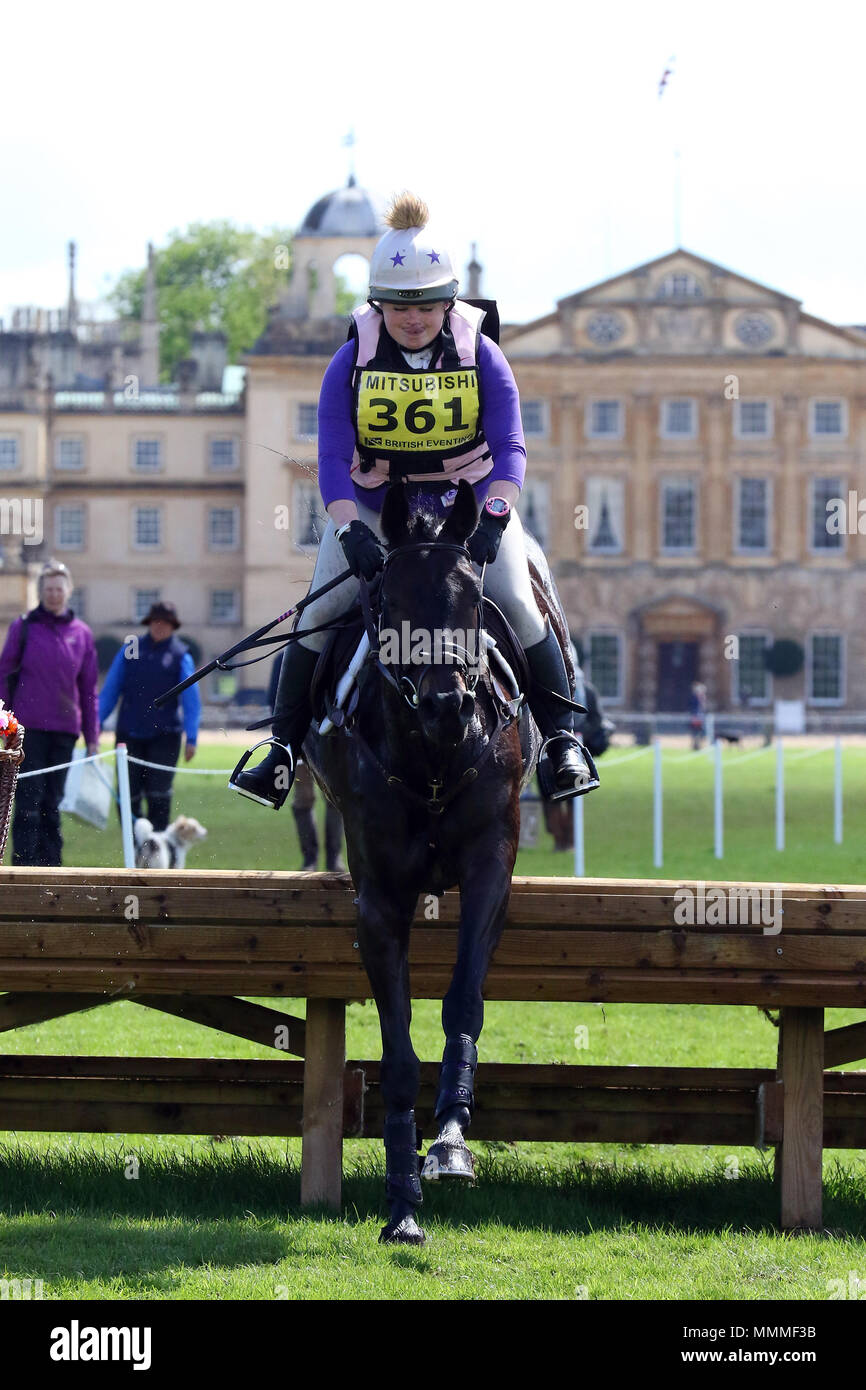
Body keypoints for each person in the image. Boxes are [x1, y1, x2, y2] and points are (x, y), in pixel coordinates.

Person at [233, 192, 595, 809]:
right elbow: (331, 459)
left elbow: (510, 449)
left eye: (426, 304)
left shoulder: (484, 354)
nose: (413, 318)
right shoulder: (350, 361)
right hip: (377, 504)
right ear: (378, 305)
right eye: (398, 306)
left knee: (519, 603)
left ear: (448, 301)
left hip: (471, 505)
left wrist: (496, 518)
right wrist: (348, 530)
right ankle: (283, 749)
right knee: (319, 615)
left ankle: (562, 740)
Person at [0, 559, 99, 865]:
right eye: (49, 589)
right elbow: (4, 676)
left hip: (64, 731)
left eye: (59, 589)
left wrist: (92, 737)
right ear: (41, 591)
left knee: (52, 803)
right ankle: (23, 869)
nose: (54, 594)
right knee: (27, 801)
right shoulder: (24, 627)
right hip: (27, 730)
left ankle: (52, 870)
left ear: (68, 592)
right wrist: (2, 725)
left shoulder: (81, 633)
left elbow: (88, 689)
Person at [99, 601, 201, 831]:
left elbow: (191, 701)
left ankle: (157, 854)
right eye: (156, 621)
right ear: (149, 623)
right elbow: (111, 689)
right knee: (128, 796)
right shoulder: (131, 647)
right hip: (129, 735)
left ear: (173, 626)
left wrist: (192, 737)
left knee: (159, 796)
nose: (160, 626)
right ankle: (133, 849)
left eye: (165, 622)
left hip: (165, 737)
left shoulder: (180, 654)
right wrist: (96, 723)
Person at [267, 652, 345, 871]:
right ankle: (310, 858)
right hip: (299, 738)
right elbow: (275, 700)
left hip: (331, 736)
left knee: (336, 800)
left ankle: (333, 858)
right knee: (303, 799)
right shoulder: (283, 658)